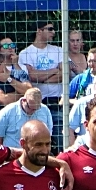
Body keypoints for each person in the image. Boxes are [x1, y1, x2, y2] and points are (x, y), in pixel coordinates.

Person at [19, 21, 65, 149]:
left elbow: (64, 75)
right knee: (38, 139)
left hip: (57, 102)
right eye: (49, 29)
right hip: (37, 104)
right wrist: (54, 70)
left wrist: (41, 78)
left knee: (60, 140)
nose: (53, 32)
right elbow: (32, 76)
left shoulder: (58, 50)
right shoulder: (25, 53)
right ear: (39, 31)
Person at [0, 50, 34, 116]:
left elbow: (30, 90)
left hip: (23, 117)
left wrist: (9, 79)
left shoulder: (20, 74)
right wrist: (24, 95)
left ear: (3, 63)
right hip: (4, 119)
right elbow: (5, 100)